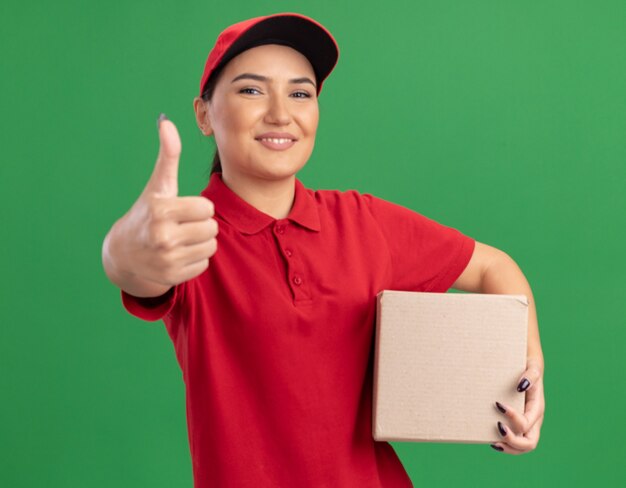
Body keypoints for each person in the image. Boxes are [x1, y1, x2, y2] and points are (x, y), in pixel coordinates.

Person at [101, 12, 545, 488]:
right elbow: (135, 267)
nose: (280, 113)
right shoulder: (189, 235)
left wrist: (529, 372)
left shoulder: (361, 221)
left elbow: (492, 267)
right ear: (204, 114)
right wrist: (125, 248)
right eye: (251, 90)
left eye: (300, 93)